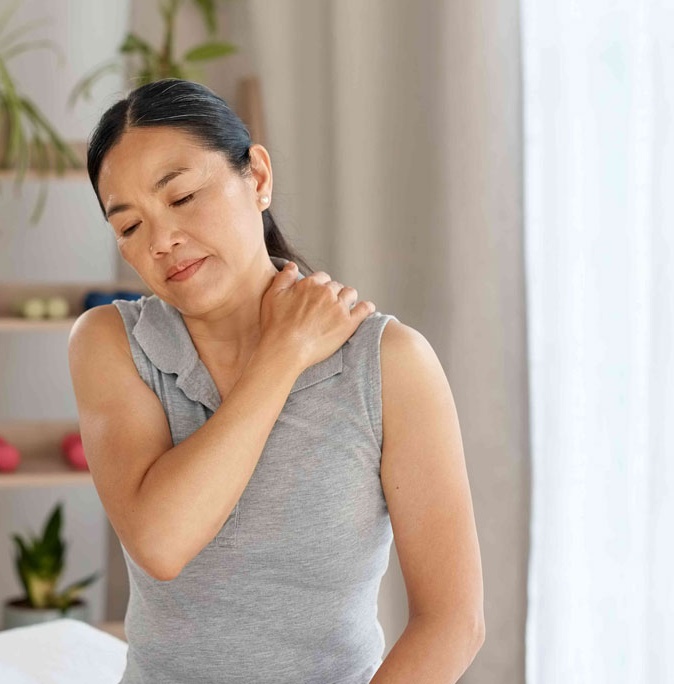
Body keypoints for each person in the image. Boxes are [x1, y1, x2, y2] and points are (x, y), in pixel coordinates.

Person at [68, 79, 484, 684]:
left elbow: (452, 621)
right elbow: (161, 541)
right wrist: (282, 355)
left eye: (182, 196)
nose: (162, 241)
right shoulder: (112, 343)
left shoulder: (390, 363)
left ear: (257, 177)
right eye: (129, 228)